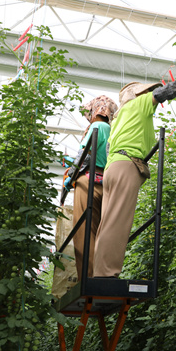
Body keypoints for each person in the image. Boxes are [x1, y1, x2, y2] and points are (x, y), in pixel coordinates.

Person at [91, 74, 176, 278]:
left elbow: (109, 147)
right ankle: (107, 275)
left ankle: (98, 272)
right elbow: (164, 92)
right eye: (145, 91)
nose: (148, 94)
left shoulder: (119, 119)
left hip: (112, 169)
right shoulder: (139, 104)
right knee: (118, 222)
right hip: (127, 165)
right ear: (138, 95)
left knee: (107, 222)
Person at [67, 95, 118, 279]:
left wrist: (72, 174)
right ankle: (101, 276)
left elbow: (86, 154)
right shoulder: (112, 130)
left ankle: (87, 279)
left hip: (88, 181)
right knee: (100, 232)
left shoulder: (97, 127)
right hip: (104, 181)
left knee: (83, 233)